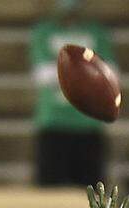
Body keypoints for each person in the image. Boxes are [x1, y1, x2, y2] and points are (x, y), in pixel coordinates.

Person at [29, 0, 114, 186]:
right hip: (53, 123)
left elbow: (111, 73)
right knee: (49, 194)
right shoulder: (44, 31)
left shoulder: (96, 32)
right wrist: (87, 71)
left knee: (91, 195)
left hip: (89, 124)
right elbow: (42, 74)